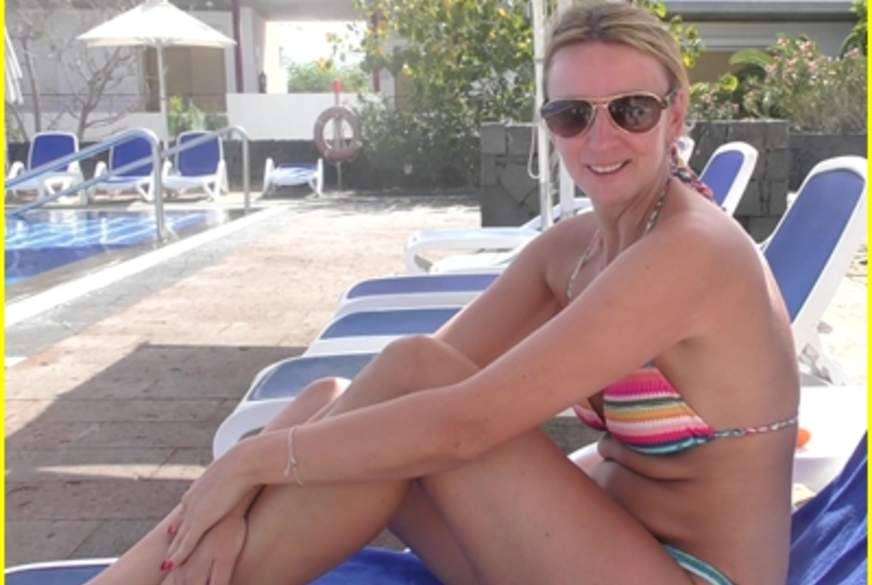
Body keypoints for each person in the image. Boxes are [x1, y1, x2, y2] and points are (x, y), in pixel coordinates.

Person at [87, 2, 799, 584]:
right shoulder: (574, 249)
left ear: (675, 116)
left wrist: (246, 465)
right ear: (550, 125)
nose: (600, 138)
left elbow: (463, 422)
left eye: (632, 110)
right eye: (572, 114)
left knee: (397, 387)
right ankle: (169, 559)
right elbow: (404, 386)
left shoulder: (690, 251)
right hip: (586, 548)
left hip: (688, 575)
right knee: (329, 400)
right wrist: (236, 494)